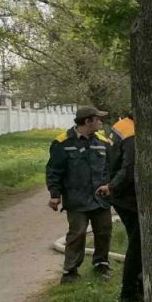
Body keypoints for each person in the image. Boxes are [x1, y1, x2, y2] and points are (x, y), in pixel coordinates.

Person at [46, 106, 113, 283]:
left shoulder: (103, 142)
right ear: (88, 121)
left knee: (104, 231)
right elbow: (54, 170)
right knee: (77, 233)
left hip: (100, 199)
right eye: (98, 119)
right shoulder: (62, 143)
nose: (101, 122)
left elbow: (110, 168)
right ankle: (70, 271)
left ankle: (101, 264)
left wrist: (109, 185)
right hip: (77, 199)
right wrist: (55, 194)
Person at [97, 114, 143, 302]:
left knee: (138, 241)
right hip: (126, 196)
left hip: (120, 193)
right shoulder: (132, 132)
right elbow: (129, 167)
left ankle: (137, 287)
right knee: (138, 242)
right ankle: (129, 293)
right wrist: (114, 187)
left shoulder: (121, 125)